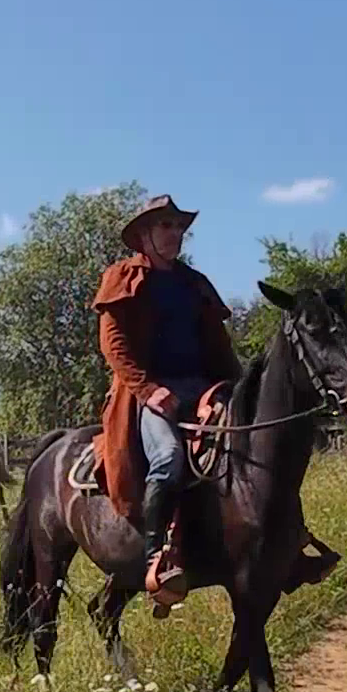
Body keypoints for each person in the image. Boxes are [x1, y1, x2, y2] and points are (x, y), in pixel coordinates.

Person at [93, 193, 239, 607]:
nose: (175, 234)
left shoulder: (194, 283)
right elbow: (114, 345)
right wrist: (149, 389)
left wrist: (239, 389)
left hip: (206, 387)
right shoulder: (123, 277)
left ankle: (283, 538)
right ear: (143, 235)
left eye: (178, 227)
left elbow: (219, 345)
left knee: (249, 445)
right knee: (169, 456)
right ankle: (157, 554)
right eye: (165, 226)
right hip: (149, 391)